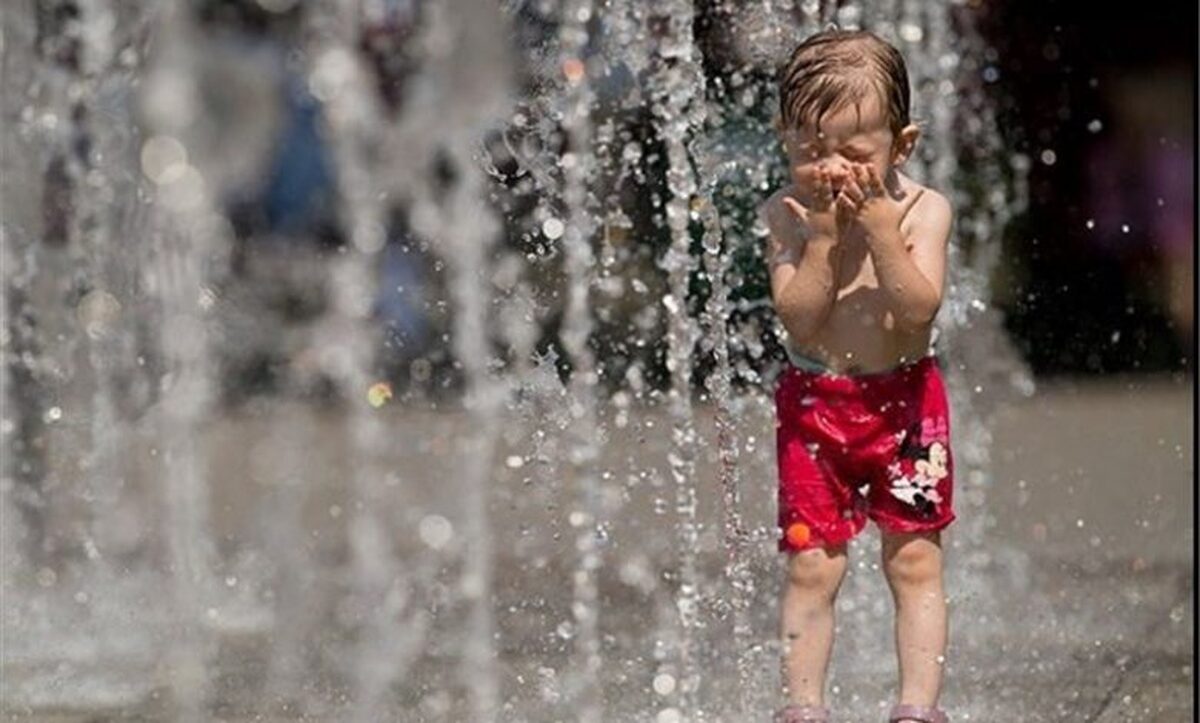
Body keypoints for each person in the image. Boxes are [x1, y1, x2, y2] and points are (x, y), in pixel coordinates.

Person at [760, 29, 957, 723]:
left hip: (905, 406)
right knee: (814, 564)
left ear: (900, 146)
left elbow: (919, 308)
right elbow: (802, 322)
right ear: (786, 139)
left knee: (914, 560)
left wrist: (878, 231)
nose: (832, 169)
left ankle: (915, 706)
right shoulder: (786, 217)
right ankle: (804, 707)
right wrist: (820, 242)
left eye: (853, 151)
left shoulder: (923, 210)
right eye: (811, 150)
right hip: (816, 405)